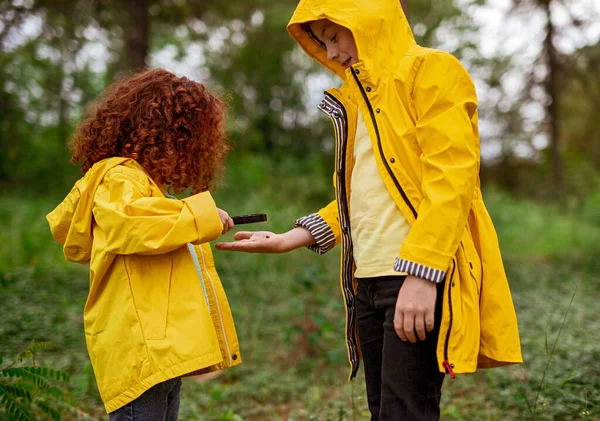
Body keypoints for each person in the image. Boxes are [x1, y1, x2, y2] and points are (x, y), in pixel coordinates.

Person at [216, 0, 522, 419]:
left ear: (369, 20)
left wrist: (422, 274)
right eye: (322, 43)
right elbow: (362, 197)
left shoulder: (431, 71)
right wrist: (290, 238)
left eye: (336, 37)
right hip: (367, 281)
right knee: (383, 411)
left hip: (410, 277)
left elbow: (452, 182)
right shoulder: (357, 105)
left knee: (405, 412)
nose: (333, 54)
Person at [47, 68, 241, 421]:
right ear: (166, 136)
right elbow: (135, 225)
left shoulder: (146, 188)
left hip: (160, 351)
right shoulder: (118, 177)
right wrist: (202, 215)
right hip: (141, 350)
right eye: (189, 138)